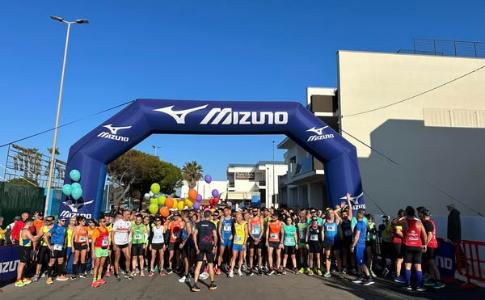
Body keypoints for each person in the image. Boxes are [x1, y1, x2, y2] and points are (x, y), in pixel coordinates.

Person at [401, 206, 427, 291]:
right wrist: (425, 244)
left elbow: (395, 223)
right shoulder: (419, 222)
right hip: (418, 246)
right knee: (418, 267)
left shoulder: (404, 221)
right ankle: (419, 286)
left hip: (408, 245)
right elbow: (424, 235)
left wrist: (403, 217)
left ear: (406, 213)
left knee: (408, 266)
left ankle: (408, 284)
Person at [191, 210, 217, 292]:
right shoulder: (212, 224)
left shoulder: (198, 224)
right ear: (210, 216)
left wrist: (196, 246)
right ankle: (212, 284)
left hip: (200, 245)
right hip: (209, 245)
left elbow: (194, 235)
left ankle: (195, 284)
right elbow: (215, 236)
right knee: (210, 265)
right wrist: (215, 246)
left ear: (204, 215)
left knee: (198, 265)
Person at [420, 208, 445, 289]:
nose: (420, 215)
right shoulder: (431, 221)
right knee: (430, 263)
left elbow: (430, 234)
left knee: (432, 263)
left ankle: (439, 281)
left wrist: (425, 244)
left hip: (431, 245)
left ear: (423, 215)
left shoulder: (427, 222)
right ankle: (433, 279)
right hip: (432, 245)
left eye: (421, 214)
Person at [351, 209, 374, 286]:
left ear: (359, 215)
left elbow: (357, 236)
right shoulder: (363, 223)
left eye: (357, 214)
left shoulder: (358, 224)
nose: (356, 215)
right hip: (362, 244)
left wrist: (353, 245)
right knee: (360, 261)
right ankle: (360, 276)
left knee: (361, 262)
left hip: (359, 245)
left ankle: (369, 277)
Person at [15, 219, 40, 287]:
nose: (33, 225)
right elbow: (33, 239)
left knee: (23, 263)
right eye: (33, 223)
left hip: (25, 248)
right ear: (30, 223)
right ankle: (18, 280)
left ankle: (22, 278)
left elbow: (31, 238)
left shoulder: (24, 229)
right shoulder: (26, 231)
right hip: (24, 248)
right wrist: (40, 235)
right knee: (22, 264)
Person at [45, 217, 68, 284]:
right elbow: (46, 236)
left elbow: (64, 237)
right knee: (52, 261)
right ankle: (49, 277)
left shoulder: (64, 228)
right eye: (63, 220)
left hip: (61, 246)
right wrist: (49, 246)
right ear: (59, 221)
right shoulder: (54, 227)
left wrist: (64, 245)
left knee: (60, 261)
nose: (64, 222)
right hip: (54, 246)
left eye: (65, 221)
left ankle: (59, 275)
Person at [112, 210, 133, 280]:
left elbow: (129, 233)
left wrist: (130, 242)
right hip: (117, 243)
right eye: (127, 214)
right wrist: (113, 244)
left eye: (129, 214)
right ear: (123, 215)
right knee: (117, 259)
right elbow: (113, 233)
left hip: (125, 243)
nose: (129, 216)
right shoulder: (117, 223)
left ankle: (127, 272)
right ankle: (117, 273)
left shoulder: (129, 223)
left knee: (128, 258)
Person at [33, 216, 55, 282]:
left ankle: (49, 273)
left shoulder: (55, 227)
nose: (47, 221)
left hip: (52, 246)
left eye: (49, 220)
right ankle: (37, 274)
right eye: (46, 220)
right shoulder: (44, 227)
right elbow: (39, 235)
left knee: (51, 260)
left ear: (52, 221)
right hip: (43, 245)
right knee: (40, 260)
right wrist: (33, 239)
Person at [91, 215, 110, 288]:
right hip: (98, 249)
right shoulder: (97, 230)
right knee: (97, 265)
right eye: (103, 221)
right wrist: (93, 252)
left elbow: (107, 239)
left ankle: (99, 278)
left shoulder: (106, 229)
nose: (104, 223)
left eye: (105, 221)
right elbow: (93, 242)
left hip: (104, 249)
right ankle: (94, 280)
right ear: (99, 222)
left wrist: (108, 248)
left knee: (102, 265)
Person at [323, 208, 342, 277]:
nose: (330, 214)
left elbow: (339, 219)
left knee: (337, 257)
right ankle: (328, 272)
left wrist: (337, 210)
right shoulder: (325, 221)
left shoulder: (336, 221)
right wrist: (323, 241)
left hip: (335, 241)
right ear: (327, 214)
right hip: (327, 242)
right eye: (329, 213)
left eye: (331, 213)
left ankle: (340, 273)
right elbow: (322, 231)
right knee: (328, 256)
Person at [228, 212, 248, 277]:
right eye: (237, 217)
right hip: (235, 243)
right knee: (234, 257)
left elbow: (246, 234)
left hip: (242, 243)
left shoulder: (245, 224)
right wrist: (231, 235)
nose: (238, 218)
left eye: (240, 217)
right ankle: (231, 271)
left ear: (242, 217)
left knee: (241, 257)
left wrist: (244, 243)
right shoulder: (234, 223)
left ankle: (239, 270)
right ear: (235, 218)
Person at [217, 206, 233, 274]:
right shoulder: (222, 218)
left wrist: (232, 235)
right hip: (223, 238)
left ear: (229, 211)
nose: (225, 212)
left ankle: (230, 267)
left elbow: (234, 229)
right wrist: (220, 237)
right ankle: (218, 268)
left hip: (229, 239)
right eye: (224, 211)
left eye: (226, 210)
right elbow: (219, 229)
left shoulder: (232, 219)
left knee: (230, 254)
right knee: (221, 254)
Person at [247, 208, 264, 276]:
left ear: (257, 211)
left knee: (259, 254)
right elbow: (249, 230)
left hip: (259, 238)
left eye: (255, 211)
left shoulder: (260, 219)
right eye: (253, 211)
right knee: (251, 254)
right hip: (252, 238)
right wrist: (254, 238)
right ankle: (251, 269)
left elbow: (262, 229)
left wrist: (258, 238)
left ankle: (259, 268)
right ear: (252, 212)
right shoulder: (250, 219)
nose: (254, 212)